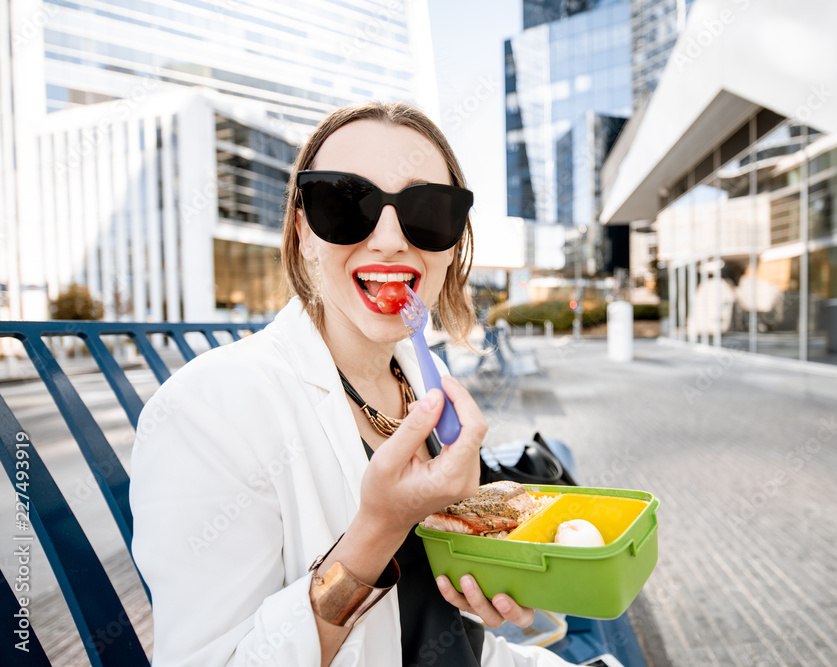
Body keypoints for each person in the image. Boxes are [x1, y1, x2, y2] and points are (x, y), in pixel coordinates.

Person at [130, 101, 576, 666]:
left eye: (428, 210)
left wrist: (497, 562)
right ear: (303, 230)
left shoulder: (422, 384)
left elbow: (455, 628)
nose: (389, 239)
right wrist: (378, 528)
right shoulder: (208, 410)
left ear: (454, 241)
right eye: (344, 202)